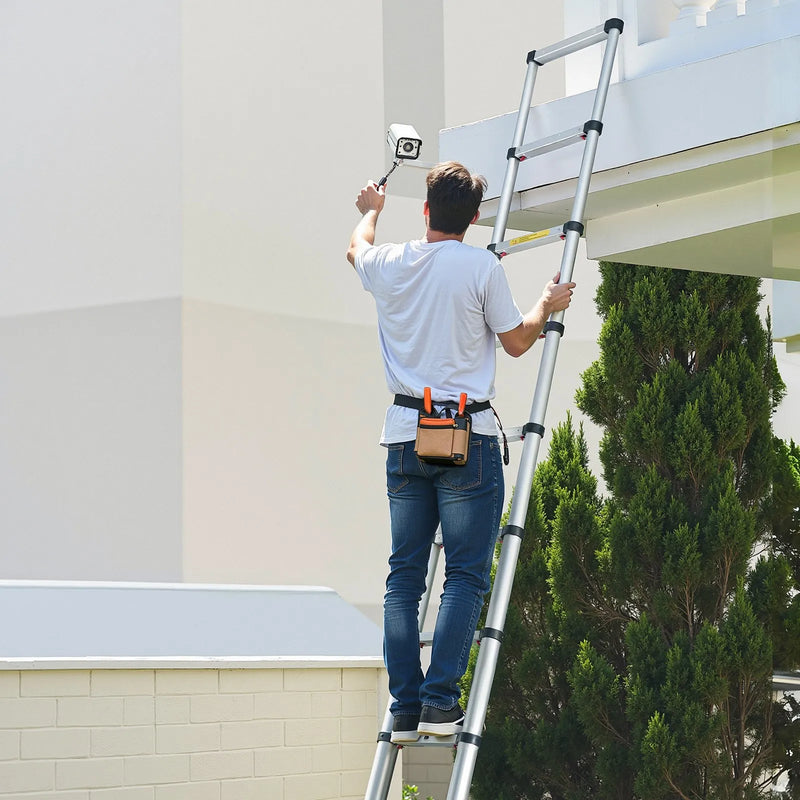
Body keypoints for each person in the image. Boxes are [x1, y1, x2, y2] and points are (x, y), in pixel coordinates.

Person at [346, 161, 575, 743]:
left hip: (403, 432)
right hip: (465, 434)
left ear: (425, 210)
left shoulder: (390, 262)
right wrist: (546, 304)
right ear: (474, 218)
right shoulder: (480, 267)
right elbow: (519, 342)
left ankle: (404, 707)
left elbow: (355, 249)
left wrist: (373, 208)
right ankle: (440, 703)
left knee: (403, 579)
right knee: (466, 576)